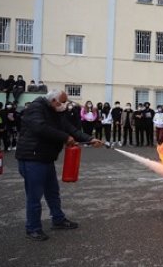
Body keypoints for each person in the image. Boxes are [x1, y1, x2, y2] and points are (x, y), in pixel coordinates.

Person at [15, 90, 103, 241]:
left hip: (46, 158)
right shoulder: (36, 108)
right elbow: (40, 128)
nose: (64, 105)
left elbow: (70, 129)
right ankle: (33, 228)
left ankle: (58, 219)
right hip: (32, 158)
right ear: (54, 100)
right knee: (34, 196)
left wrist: (90, 139)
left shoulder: (56, 111)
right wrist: (65, 138)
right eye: (62, 102)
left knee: (53, 192)